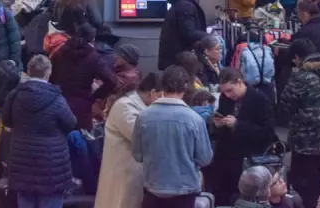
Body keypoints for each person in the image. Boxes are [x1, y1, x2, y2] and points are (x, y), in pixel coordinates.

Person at [2, 54, 77, 208]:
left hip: (21, 161)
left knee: (25, 201)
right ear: (48, 73)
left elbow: (6, 120)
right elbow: (71, 123)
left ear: (29, 71)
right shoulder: (57, 99)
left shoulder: (15, 95)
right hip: (51, 165)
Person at [132, 65, 213, 208]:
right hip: (185, 191)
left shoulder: (143, 117)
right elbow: (205, 158)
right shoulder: (194, 119)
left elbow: (137, 155)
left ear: (162, 85)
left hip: (153, 188)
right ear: (185, 86)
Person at [279, 38, 320, 208]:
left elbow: (285, 106)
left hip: (306, 144)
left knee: (306, 191)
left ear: (297, 57)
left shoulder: (301, 77)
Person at [208, 67, 277, 205]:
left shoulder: (260, 100)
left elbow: (267, 133)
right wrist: (217, 124)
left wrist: (238, 125)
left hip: (247, 158)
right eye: (224, 91)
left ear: (239, 82)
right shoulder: (225, 98)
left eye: (230, 90)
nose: (227, 95)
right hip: (225, 158)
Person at [94, 72, 163, 208]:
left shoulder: (139, 106)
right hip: (122, 175)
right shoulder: (125, 107)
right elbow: (142, 137)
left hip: (135, 175)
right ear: (153, 93)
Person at [50, 22, 117, 131]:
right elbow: (111, 81)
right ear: (92, 39)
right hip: (82, 107)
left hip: (60, 103)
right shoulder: (93, 57)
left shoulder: (59, 53)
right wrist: (95, 96)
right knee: (81, 138)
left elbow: (50, 76)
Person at [158, 0, 208, 70]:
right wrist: (207, 36)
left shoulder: (180, 3)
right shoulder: (185, 6)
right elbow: (188, 33)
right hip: (180, 59)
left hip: (174, 57)